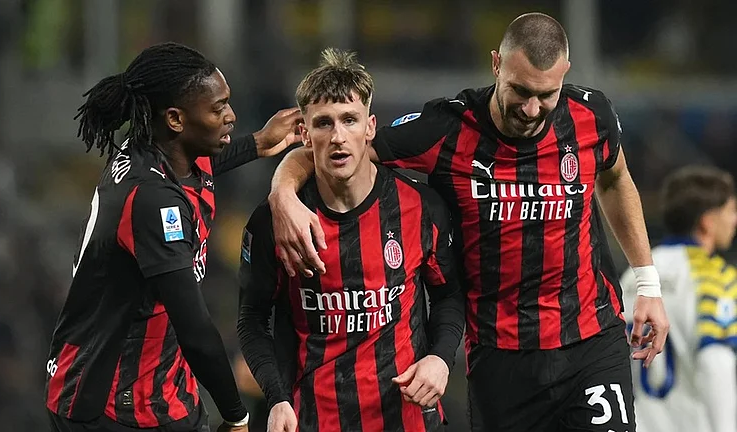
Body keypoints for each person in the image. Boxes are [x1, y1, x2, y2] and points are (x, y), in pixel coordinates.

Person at [267, 13, 670, 432]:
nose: (532, 109)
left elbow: (616, 177)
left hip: (591, 338)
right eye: (520, 91)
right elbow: (344, 148)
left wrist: (648, 284)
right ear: (497, 64)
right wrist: (283, 193)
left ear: (565, 74)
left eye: (546, 95)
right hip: (500, 354)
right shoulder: (445, 128)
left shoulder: (592, 116)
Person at [45, 42, 302, 432]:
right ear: (176, 119)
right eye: (218, 109)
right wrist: (236, 416)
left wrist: (260, 143)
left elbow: (206, 159)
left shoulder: (160, 149)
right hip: (112, 402)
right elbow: (195, 328)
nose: (231, 116)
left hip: (164, 387)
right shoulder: (150, 199)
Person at [237, 48, 465, 432]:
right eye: (324, 123)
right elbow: (252, 320)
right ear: (305, 134)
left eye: (350, 120)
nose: (339, 136)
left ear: (371, 127)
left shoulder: (421, 207)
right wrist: (276, 398)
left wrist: (441, 358)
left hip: (407, 420)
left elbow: (448, 294)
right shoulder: (273, 223)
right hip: (313, 418)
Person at [621, 166, 737, 432]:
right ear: (707, 220)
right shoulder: (714, 276)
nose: (735, 220)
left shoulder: (633, 276)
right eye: (731, 211)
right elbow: (715, 362)